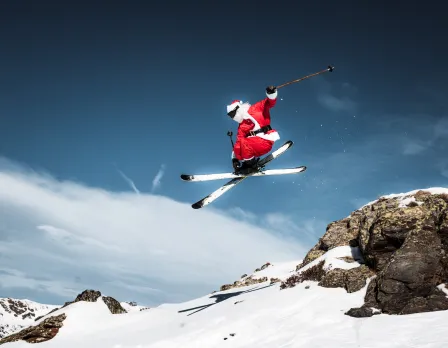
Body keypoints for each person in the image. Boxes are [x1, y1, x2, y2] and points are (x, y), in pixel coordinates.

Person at [227, 86, 280, 173]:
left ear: (238, 108)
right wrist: (234, 159)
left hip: (265, 140)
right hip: (253, 145)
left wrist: (271, 93)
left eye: (233, 114)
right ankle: (247, 163)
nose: (233, 117)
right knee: (238, 146)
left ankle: (251, 164)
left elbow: (269, 103)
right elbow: (238, 143)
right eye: (230, 116)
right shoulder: (241, 126)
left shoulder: (256, 108)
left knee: (244, 142)